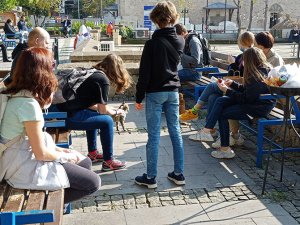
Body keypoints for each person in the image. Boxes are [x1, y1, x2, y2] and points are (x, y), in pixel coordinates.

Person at [0, 47, 100, 203]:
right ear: (41, 72)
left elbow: (31, 140)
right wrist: (65, 156)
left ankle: (54, 193)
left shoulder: (16, 94)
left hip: (17, 157)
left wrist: (59, 150)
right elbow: (41, 154)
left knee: (85, 162)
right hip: (20, 166)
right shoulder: (28, 105)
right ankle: (46, 204)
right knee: (92, 183)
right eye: (51, 66)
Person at [189, 47, 276, 159]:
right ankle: (209, 132)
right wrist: (233, 84)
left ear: (250, 61)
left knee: (222, 112)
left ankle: (222, 146)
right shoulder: (260, 70)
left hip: (257, 107)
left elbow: (246, 98)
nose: (242, 62)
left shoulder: (256, 76)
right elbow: (248, 91)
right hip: (255, 102)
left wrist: (227, 90)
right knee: (220, 100)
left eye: (244, 60)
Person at [51, 54, 132, 171]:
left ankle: (93, 153)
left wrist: (112, 110)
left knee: (93, 114)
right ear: (118, 70)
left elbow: (90, 104)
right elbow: (103, 110)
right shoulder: (103, 80)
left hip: (60, 111)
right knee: (107, 121)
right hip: (67, 116)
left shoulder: (93, 73)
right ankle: (109, 162)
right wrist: (116, 112)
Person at [135, 1, 185, 189]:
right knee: (176, 131)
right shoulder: (180, 40)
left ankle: (150, 177)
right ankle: (179, 174)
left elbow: (144, 74)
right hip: (173, 91)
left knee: (154, 135)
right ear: (173, 18)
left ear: (156, 20)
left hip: (155, 92)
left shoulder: (152, 44)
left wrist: (139, 97)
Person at [180, 31, 256, 147]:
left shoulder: (250, 55)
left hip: (240, 90)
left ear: (241, 42)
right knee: (213, 97)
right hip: (237, 87)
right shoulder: (244, 55)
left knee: (212, 87)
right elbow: (235, 72)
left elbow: (241, 74)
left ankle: (195, 112)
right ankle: (212, 131)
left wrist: (232, 64)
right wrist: (233, 64)